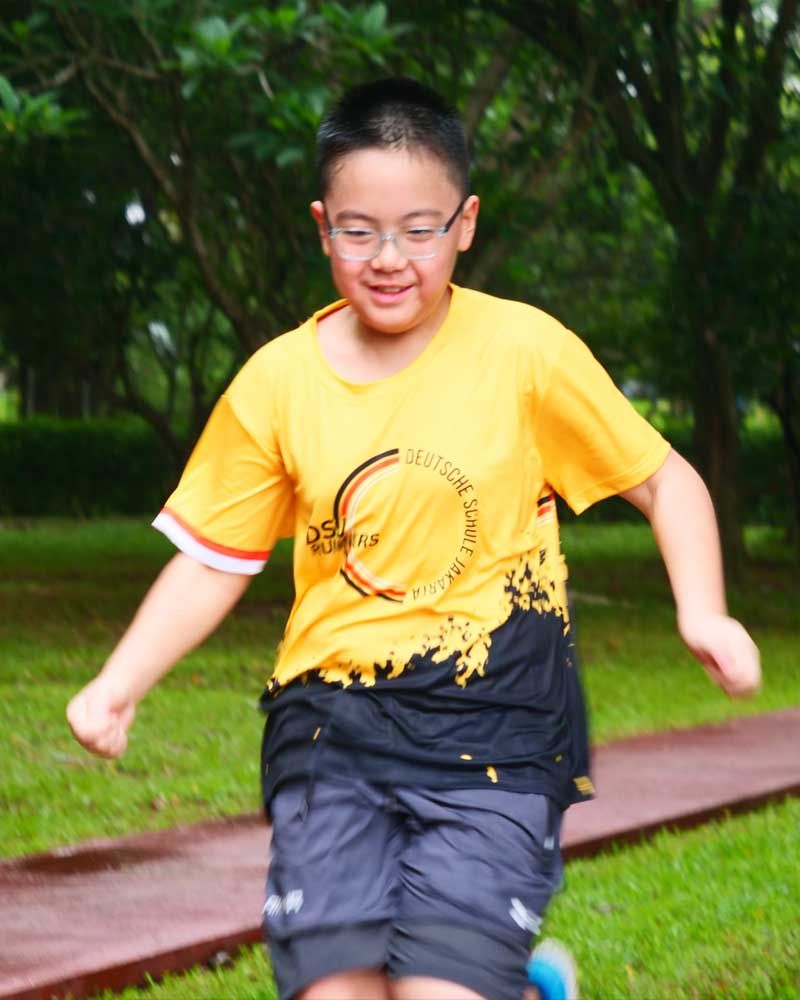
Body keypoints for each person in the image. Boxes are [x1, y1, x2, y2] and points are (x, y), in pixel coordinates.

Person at [66, 77, 761, 1000]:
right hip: (331, 732)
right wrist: (118, 684)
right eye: (359, 230)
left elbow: (665, 479)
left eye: (419, 228)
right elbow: (213, 559)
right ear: (323, 226)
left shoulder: (526, 353)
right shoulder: (276, 384)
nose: (389, 257)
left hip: (500, 727)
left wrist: (703, 610)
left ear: (465, 224)